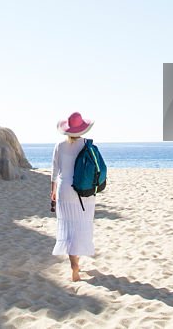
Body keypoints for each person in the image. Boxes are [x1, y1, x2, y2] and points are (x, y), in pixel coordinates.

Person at [50, 111, 96, 282]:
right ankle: (77, 263)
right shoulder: (87, 145)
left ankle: (74, 267)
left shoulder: (59, 146)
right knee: (81, 226)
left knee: (69, 228)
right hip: (84, 191)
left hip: (64, 190)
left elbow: (54, 172)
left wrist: (52, 191)